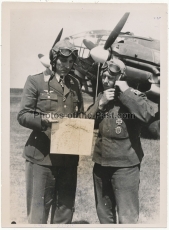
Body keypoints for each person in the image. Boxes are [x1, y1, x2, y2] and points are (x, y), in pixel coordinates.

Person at [17, 39, 84, 224]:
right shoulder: (36, 81)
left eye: (71, 62)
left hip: (68, 158)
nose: (67, 66)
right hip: (42, 157)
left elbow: (80, 115)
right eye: (63, 61)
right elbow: (23, 115)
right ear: (54, 59)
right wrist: (44, 120)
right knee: (38, 213)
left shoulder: (75, 84)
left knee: (65, 209)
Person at [86, 60, 155, 224]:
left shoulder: (135, 96)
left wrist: (125, 92)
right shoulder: (101, 97)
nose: (105, 80)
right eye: (103, 76)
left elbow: (146, 114)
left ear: (121, 76)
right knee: (104, 216)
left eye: (110, 76)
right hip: (101, 166)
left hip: (125, 167)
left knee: (127, 217)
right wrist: (100, 104)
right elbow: (86, 123)